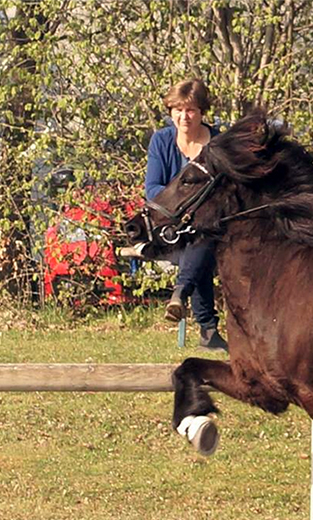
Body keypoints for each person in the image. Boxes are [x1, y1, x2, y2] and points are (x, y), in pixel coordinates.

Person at [144, 79, 227, 352]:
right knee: (196, 244)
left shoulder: (218, 144)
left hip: (210, 228)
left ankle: (181, 294)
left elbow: (226, 191)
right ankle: (207, 327)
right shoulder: (162, 141)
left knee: (202, 238)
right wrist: (185, 204)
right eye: (177, 109)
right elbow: (152, 189)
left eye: (190, 110)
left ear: (202, 111)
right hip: (169, 227)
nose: (183, 116)